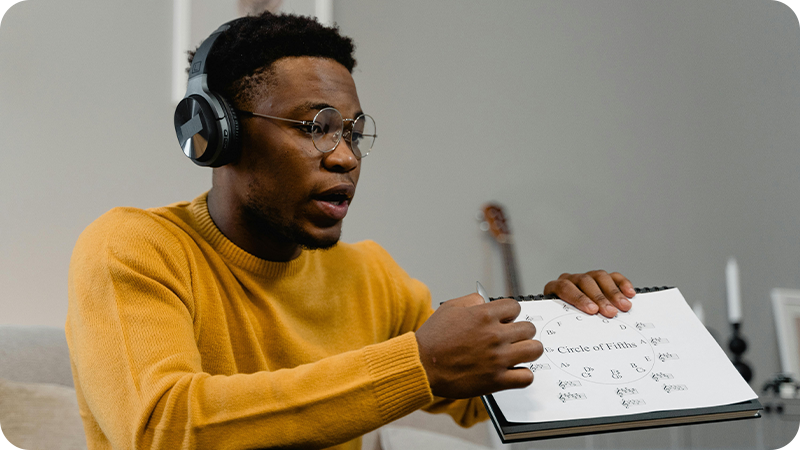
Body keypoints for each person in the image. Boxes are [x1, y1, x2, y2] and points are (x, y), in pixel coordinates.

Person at [66, 12, 635, 450]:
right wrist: (419, 365)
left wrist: (576, 326)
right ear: (219, 136)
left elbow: (494, 386)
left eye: (355, 133)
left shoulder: (369, 274)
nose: (346, 158)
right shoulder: (134, 248)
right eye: (317, 127)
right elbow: (164, 426)